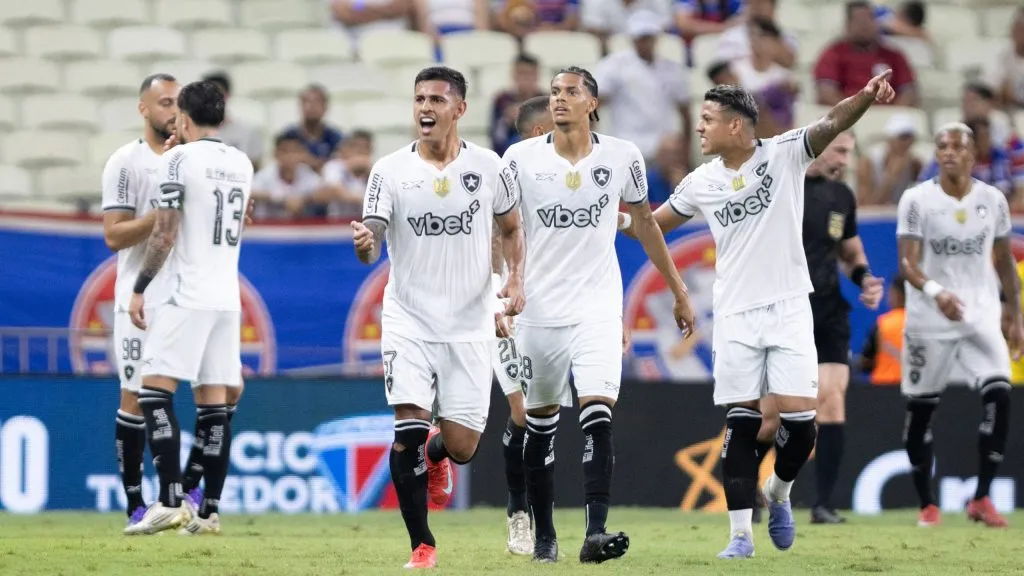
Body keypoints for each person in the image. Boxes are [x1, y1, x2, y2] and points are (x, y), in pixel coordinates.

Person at [620, 71, 896, 558]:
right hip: (734, 314)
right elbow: (651, 226)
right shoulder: (701, 180)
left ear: (737, 126)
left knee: (802, 424)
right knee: (742, 423)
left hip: (790, 305)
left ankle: (780, 491)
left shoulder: (784, 153)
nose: (699, 129)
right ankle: (740, 537)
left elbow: (832, 121)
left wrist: (867, 97)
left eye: (707, 120)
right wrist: (605, 216)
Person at [503, 66, 694, 564]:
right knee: (539, 422)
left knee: (598, 416)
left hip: (598, 308)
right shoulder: (520, 159)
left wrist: (678, 290)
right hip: (539, 313)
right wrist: (508, 285)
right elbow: (501, 228)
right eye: (554, 92)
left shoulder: (622, 156)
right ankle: (545, 535)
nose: (560, 99)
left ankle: (595, 533)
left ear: (592, 102)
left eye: (571, 92)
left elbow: (646, 223)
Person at [351, 66, 526, 569]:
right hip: (408, 320)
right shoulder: (389, 170)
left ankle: (436, 455)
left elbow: (512, 228)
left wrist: (515, 279)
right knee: (405, 427)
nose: (425, 108)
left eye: (436, 100)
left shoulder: (491, 167)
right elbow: (374, 236)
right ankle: (422, 546)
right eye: (418, 99)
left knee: (463, 446)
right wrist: (366, 244)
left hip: (470, 324)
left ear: (459, 109)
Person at [124, 80, 255, 536]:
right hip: (226, 296)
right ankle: (209, 512)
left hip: (186, 291)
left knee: (153, 393)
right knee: (214, 406)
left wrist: (140, 286)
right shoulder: (241, 161)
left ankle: (168, 499)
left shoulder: (177, 158)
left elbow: (164, 233)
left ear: (183, 117)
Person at [896, 122, 1023, 529]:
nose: (948, 152)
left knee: (1000, 393)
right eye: (942, 146)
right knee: (920, 412)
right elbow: (908, 263)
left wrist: (1014, 313)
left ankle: (982, 497)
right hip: (929, 317)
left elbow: (1004, 260)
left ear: (973, 154)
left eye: (957, 146)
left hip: (980, 313)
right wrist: (937, 293)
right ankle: (926, 504)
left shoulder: (993, 199)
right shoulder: (917, 200)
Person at [758, 131, 883, 526]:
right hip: (783, 306)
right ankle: (751, 486)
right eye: (840, 149)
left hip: (828, 308)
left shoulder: (841, 196)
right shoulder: (780, 183)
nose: (845, 159)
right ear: (820, 142)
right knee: (771, 417)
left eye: (850, 151)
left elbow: (849, 249)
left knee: (830, 400)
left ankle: (822, 504)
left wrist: (863, 277)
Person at [100, 73, 180, 530]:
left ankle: (185, 497)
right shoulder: (125, 162)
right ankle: (135, 502)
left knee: (218, 389)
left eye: (177, 102)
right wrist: (162, 218)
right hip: (138, 296)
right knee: (134, 397)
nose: (172, 110)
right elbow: (113, 235)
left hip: (185, 295)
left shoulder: (188, 159)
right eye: (164, 102)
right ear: (144, 109)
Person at [494, 94, 552, 557]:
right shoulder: (509, 175)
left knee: (538, 419)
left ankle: (435, 453)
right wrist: (497, 290)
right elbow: (496, 236)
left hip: (553, 306)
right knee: (521, 415)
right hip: (508, 304)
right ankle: (519, 515)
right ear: (538, 134)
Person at [860, 275, 905, 385]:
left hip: (883, 388)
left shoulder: (883, 324)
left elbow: (865, 361)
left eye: (890, 293)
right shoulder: (920, 324)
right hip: (914, 387)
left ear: (897, 295)